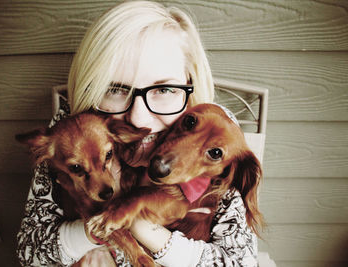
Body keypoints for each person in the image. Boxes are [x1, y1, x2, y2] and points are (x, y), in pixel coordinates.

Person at [16, 1, 261, 266]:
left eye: (164, 90)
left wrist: (138, 225)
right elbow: (31, 252)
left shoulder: (217, 132)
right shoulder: (74, 130)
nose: (138, 117)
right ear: (90, 87)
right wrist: (98, 226)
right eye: (115, 89)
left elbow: (240, 262)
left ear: (191, 83)